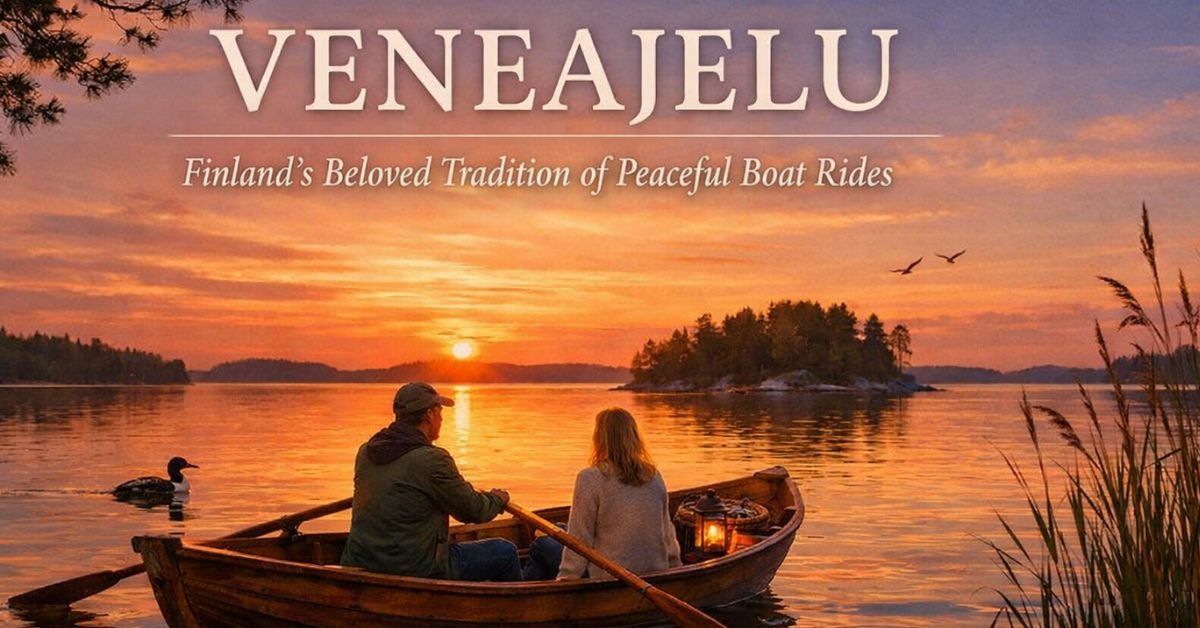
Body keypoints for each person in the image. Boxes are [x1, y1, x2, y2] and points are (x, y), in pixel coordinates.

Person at [340, 382, 520, 581]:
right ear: (429, 414)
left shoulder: (365, 451)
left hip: (360, 562)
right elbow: (473, 509)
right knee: (505, 552)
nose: (442, 418)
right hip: (414, 569)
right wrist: (497, 499)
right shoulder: (432, 460)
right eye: (440, 411)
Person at [524, 407, 682, 580]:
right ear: (634, 438)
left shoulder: (590, 478)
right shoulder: (653, 475)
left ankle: (529, 600)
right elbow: (667, 533)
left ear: (599, 439)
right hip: (655, 571)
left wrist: (566, 580)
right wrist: (675, 570)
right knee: (561, 529)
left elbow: (579, 541)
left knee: (542, 544)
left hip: (610, 577)